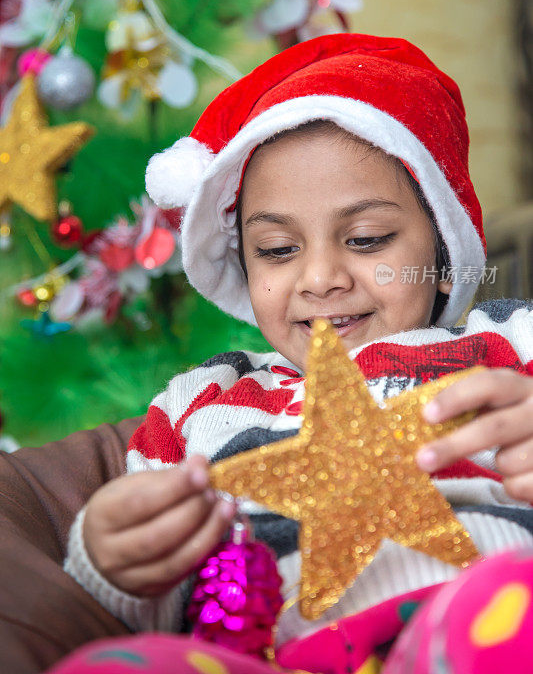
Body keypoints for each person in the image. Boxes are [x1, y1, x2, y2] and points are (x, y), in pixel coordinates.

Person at [61, 34, 533, 673]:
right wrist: (112, 565)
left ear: (444, 257)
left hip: (471, 623)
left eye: (367, 239)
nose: (320, 278)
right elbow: (150, 586)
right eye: (278, 250)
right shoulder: (200, 401)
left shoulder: (508, 343)